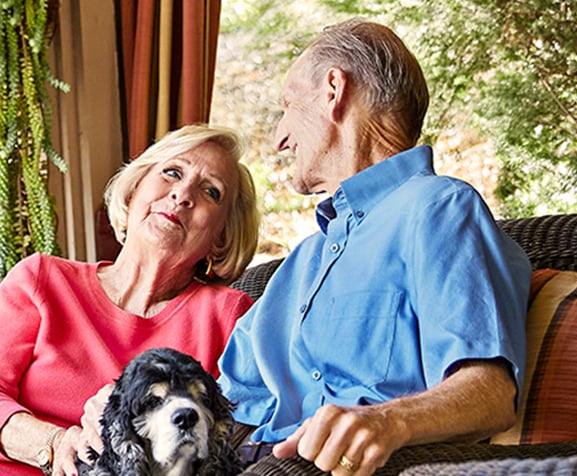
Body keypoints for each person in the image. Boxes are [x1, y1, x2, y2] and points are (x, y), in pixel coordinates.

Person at [78, 18, 533, 476]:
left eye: (288, 106)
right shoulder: (303, 261)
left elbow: (491, 393)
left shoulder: (438, 208)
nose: (279, 139)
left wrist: (389, 420)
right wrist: (119, 405)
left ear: (333, 90)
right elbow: (225, 408)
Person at [0, 124, 264, 476]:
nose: (183, 194)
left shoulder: (229, 317)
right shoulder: (42, 279)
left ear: (221, 238)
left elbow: (231, 434)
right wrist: (57, 443)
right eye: (172, 172)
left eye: (210, 191)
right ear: (133, 193)